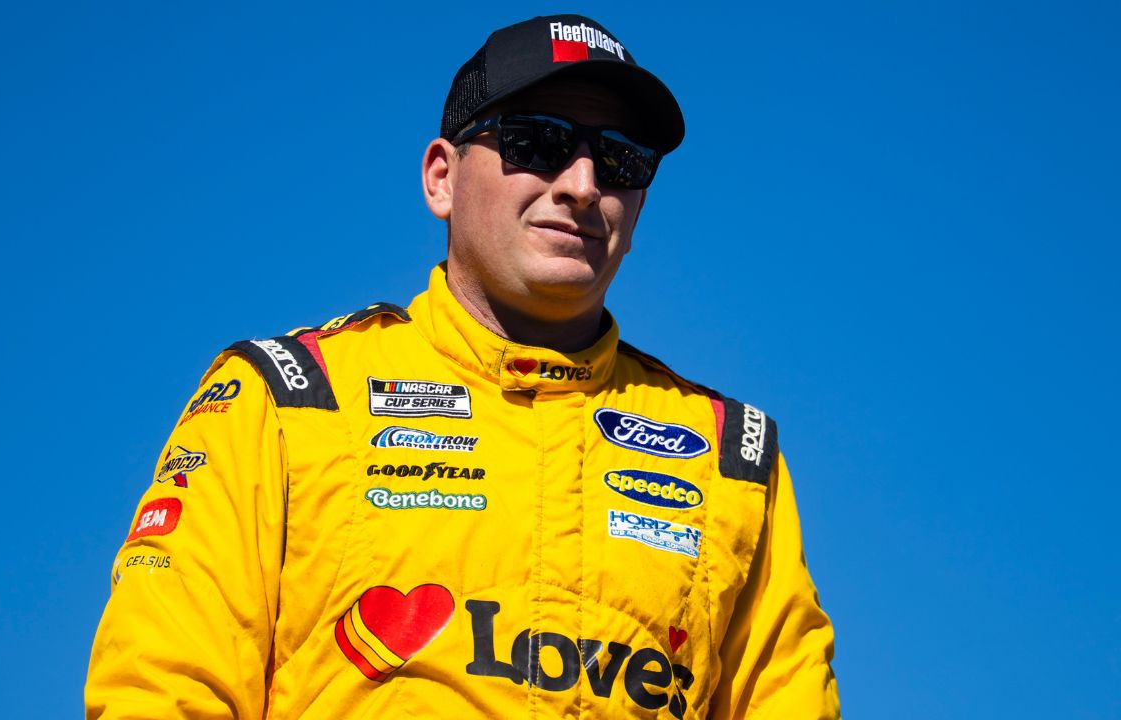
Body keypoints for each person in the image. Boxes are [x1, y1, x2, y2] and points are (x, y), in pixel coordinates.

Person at [86, 14, 840, 719]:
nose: (583, 187)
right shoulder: (290, 396)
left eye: (619, 159)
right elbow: (161, 690)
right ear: (441, 178)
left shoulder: (731, 454)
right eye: (538, 142)